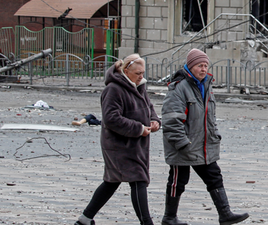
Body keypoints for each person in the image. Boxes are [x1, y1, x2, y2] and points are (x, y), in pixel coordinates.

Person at [161, 49, 249, 225]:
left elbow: (210, 116)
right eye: (199, 65)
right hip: (184, 145)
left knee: (214, 176)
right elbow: (171, 119)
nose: (203, 69)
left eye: (205, 65)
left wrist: (214, 134)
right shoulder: (179, 87)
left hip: (204, 143)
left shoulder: (206, 85)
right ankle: (169, 218)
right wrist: (182, 143)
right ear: (190, 66)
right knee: (178, 181)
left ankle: (225, 214)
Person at [74, 54, 160, 225]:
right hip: (118, 145)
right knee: (138, 179)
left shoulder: (140, 86)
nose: (141, 76)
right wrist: (138, 128)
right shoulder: (113, 89)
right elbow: (111, 118)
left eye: (143, 73)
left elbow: (149, 107)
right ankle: (147, 222)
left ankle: (85, 219)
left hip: (137, 144)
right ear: (126, 71)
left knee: (112, 181)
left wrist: (155, 120)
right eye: (137, 73)